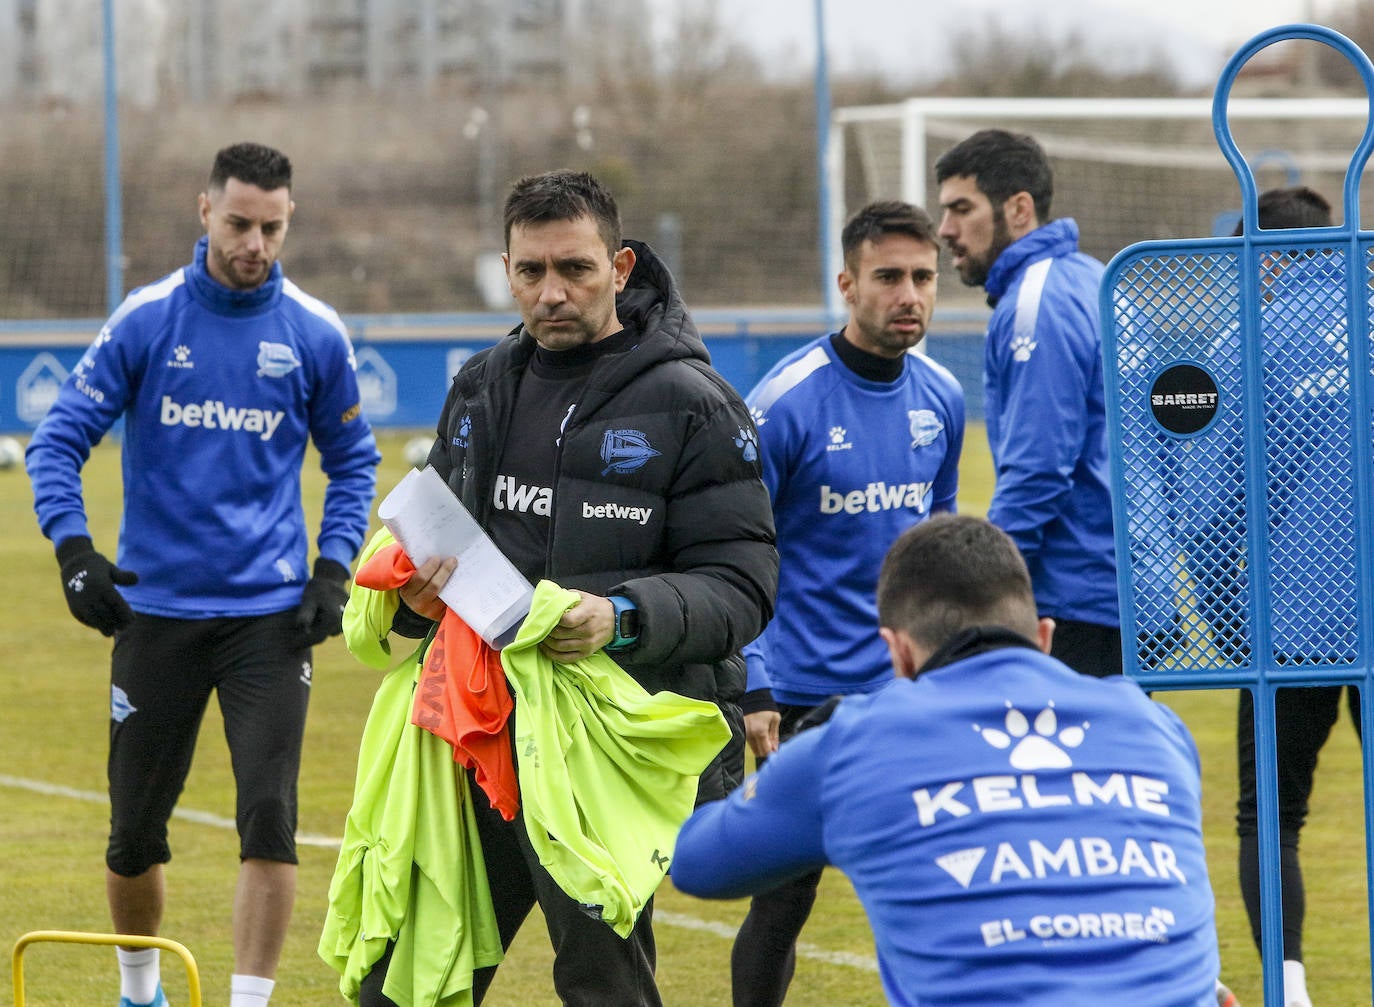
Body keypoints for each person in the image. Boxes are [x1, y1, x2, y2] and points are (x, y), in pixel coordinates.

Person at [356, 168, 778, 1007]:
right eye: (531, 271)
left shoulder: (694, 403)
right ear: (507, 269)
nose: (552, 291)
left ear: (620, 268)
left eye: (575, 269)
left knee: (601, 986)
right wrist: (413, 602)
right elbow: (437, 539)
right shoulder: (479, 387)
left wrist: (619, 616)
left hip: (601, 753)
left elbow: (741, 586)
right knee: (400, 982)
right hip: (474, 731)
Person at [25, 141, 380, 1007]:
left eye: (272, 226)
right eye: (238, 223)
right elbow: (57, 439)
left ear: (287, 221)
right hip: (155, 616)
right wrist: (75, 553)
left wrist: (333, 569)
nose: (255, 242)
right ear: (204, 210)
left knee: (270, 819)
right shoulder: (146, 319)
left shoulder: (313, 331)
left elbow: (355, 461)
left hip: (269, 621)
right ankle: (139, 991)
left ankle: (246, 1003)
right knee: (133, 836)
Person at [673, 513, 1222, 1006]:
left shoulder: (859, 742)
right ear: (1046, 637)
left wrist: (804, 756)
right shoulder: (1154, 726)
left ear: (899, 653)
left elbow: (699, 865)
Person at [729, 200, 964, 1006]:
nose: (911, 295)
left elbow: (940, 549)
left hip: (904, 695)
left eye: (924, 277)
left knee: (935, 896)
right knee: (783, 903)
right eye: (889, 276)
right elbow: (735, 553)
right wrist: (752, 681)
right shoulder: (784, 404)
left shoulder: (944, 397)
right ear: (846, 283)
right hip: (796, 698)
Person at [1187, 185, 1359, 1007]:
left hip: (1294, 622)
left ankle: (1286, 988)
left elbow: (1211, 512)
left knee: (1270, 813)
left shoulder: (1245, 336)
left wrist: (1233, 628)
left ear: (1269, 257)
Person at [934, 128, 1121, 677]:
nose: (945, 229)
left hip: (1073, 598)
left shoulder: (1036, 303)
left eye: (961, 209)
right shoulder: (1096, 279)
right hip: (1129, 591)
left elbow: (1039, 470)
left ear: (1018, 209)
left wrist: (983, 591)